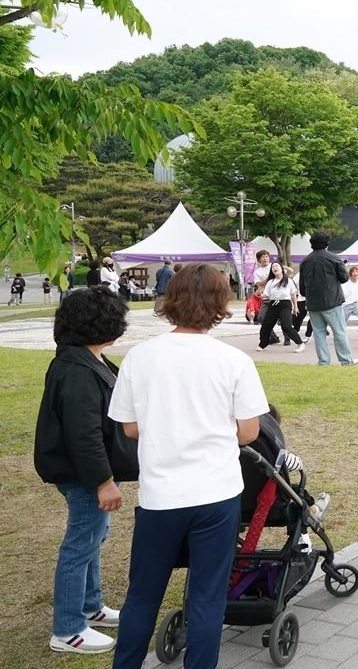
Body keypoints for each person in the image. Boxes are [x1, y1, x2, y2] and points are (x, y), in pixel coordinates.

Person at [108, 264, 270, 669]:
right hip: (216, 493)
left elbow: (129, 427)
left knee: (143, 593)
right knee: (207, 595)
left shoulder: (139, 357)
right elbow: (249, 432)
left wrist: (168, 429)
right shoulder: (233, 361)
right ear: (220, 303)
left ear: (171, 299)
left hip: (160, 494)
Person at [34, 287, 137, 654]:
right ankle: (67, 629)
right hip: (82, 474)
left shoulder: (83, 358)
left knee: (94, 538)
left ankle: (91, 606)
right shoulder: (77, 369)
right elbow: (83, 434)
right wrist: (103, 482)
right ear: (105, 324)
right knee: (81, 544)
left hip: (86, 472)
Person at [298, 232, 357, 366]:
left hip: (313, 303)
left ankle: (323, 361)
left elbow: (302, 288)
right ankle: (346, 360)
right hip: (332, 301)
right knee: (339, 332)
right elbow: (344, 278)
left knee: (318, 334)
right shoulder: (334, 258)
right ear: (327, 243)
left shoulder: (305, 261)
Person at [257, 263, 305, 353]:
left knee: (286, 326)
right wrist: (259, 294)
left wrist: (295, 307)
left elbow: (293, 294)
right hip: (273, 304)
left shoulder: (288, 281)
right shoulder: (270, 282)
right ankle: (262, 344)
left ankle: (300, 343)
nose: (274, 268)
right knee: (266, 326)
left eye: (276, 266)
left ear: (281, 269)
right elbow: (266, 295)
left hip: (285, 304)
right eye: (273, 267)